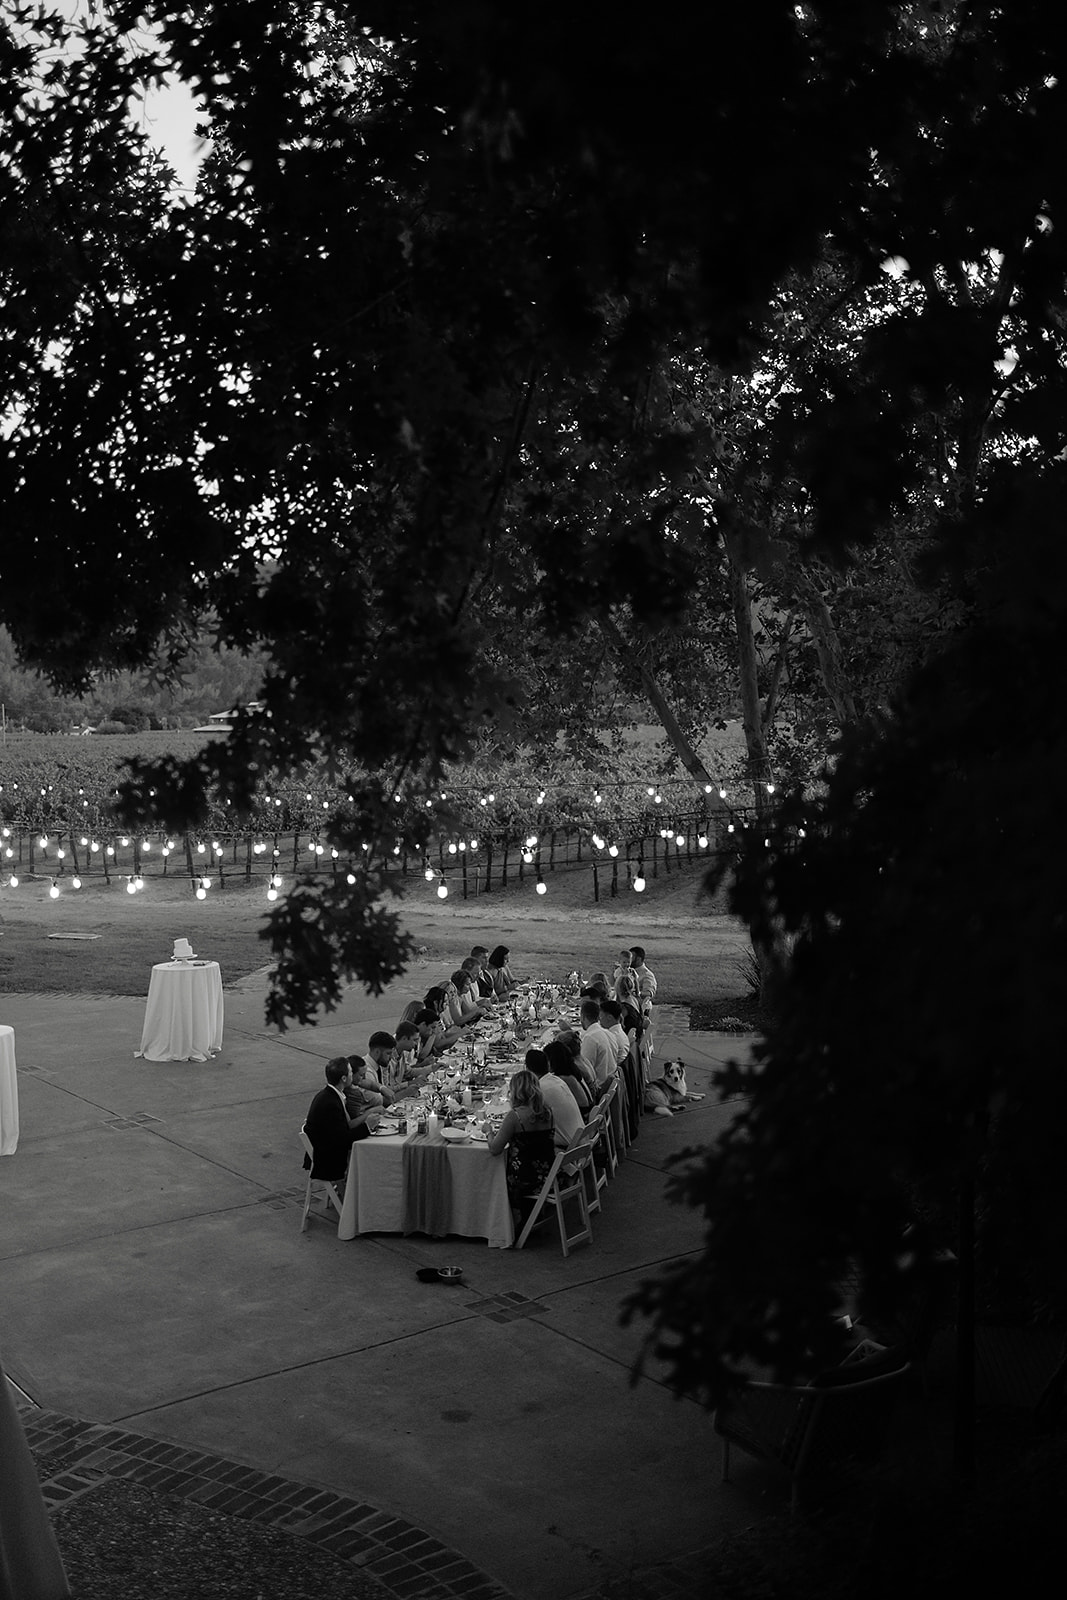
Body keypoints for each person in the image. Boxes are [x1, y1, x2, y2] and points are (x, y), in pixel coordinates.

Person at [487, 1068, 557, 1228]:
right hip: (548, 1175)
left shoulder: (515, 1116)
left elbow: (495, 1149)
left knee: (491, 1170)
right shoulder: (548, 1112)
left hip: (523, 1178)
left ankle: (501, 1223)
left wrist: (488, 1132)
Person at [303, 1058, 377, 1180]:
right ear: (343, 1078)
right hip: (327, 1158)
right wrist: (367, 1126)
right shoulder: (330, 1103)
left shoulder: (330, 1095)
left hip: (326, 1148)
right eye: (351, 1072)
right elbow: (343, 1139)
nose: (352, 1075)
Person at [525, 1046, 584, 1146]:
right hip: (580, 1139)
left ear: (527, 1069)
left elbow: (525, 1119)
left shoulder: (539, 1089)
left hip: (566, 1146)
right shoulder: (557, 1080)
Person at [544, 1039, 593, 1113]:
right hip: (589, 1108)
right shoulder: (572, 1069)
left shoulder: (563, 1079)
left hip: (584, 1113)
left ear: (553, 1060)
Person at [579, 997, 617, 1088]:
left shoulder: (590, 1038)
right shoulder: (608, 1033)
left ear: (583, 1017)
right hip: (611, 1081)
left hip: (600, 1087)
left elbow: (585, 1072)